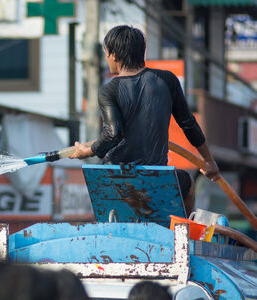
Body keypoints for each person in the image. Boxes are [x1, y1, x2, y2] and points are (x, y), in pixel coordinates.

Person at [70, 25, 220, 216]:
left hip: (115, 177)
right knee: (188, 184)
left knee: (108, 202)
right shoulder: (167, 80)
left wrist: (88, 151)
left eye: (106, 52)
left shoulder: (109, 90)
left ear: (114, 55)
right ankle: (182, 232)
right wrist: (209, 161)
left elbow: (112, 134)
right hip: (155, 179)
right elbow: (188, 124)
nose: (106, 57)